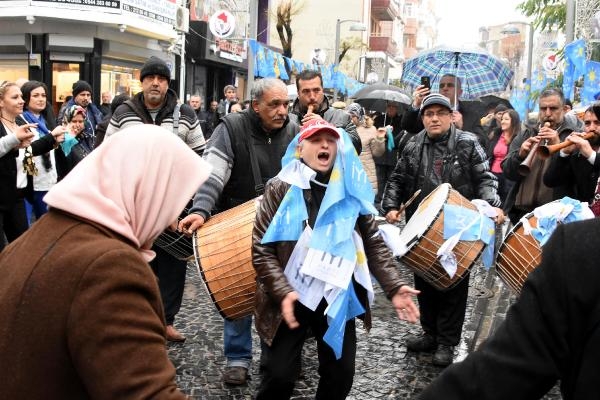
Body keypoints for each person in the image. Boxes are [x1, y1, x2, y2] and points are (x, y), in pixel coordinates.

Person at [0, 125, 211, 399]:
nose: (171, 220)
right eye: (172, 201)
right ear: (146, 192)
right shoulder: (110, 267)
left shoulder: (29, 241)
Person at [252, 119, 420, 399]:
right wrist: (282, 291)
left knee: (341, 374)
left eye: (330, 140)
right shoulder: (279, 188)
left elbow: (373, 242)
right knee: (279, 377)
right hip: (290, 295)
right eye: (317, 140)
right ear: (300, 147)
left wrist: (394, 285)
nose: (325, 145)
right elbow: (261, 248)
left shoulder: (350, 190)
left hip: (336, 293)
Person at [179, 78, 299, 385]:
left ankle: (277, 360)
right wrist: (200, 210)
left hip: (283, 228)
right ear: (255, 105)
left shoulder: (295, 130)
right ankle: (237, 357)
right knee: (238, 287)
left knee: (278, 292)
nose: (282, 111)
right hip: (236, 224)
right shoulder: (230, 127)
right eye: (274, 104)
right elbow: (212, 174)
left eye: (285, 104)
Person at [382, 93, 504, 367]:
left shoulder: (468, 143)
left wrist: (492, 205)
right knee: (424, 280)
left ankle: (447, 342)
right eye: (428, 113)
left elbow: (485, 178)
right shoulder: (413, 145)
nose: (434, 118)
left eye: (440, 112)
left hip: (459, 226)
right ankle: (430, 333)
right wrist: (390, 206)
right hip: (422, 226)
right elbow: (397, 178)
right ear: (423, 117)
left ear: (451, 116)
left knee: (453, 283)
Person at [417, 217, 600, 399]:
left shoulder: (581, 249)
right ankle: (432, 333)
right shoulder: (584, 247)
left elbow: (504, 371)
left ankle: (446, 340)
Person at [107, 56, 206, 343]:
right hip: (135, 204)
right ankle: (139, 321)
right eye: (150, 77)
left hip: (175, 203)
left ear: (167, 84)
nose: (155, 82)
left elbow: (199, 154)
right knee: (138, 263)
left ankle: (166, 321)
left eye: (161, 78)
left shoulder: (185, 113)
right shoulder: (124, 112)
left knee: (173, 264)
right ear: (141, 81)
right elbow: (109, 153)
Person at [0, 81, 64, 251]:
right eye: (15, 97)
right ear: (1, 102)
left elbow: (29, 150)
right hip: (1, 194)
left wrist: (52, 139)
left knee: (20, 248)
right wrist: (14, 140)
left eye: (21, 96)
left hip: (18, 195)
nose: (21, 100)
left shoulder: (20, 120)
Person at [501, 88, 581, 224]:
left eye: (553, 108)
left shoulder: (574, 135)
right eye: (543, 109)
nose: (547, 114)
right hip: (522, 214)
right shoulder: (527, 132)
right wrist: (520, 156)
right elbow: (508, 173)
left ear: (564, 109)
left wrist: (558, 146)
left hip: (556, 215)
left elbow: (576, 175)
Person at [544, 102, 600, 215]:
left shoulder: (587, 153)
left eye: (597, 123)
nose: (592, 128)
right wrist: (564, 153)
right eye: (587, 123)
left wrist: (591, 155)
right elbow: (550, 181)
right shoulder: (577, 155)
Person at [403, 74, 487, 148]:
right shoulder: (429, 112)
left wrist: (462, 129)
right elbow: (408, 127)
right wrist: (416, 104)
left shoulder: (472, 115)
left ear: (460, 92)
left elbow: (482, 141)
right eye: (442, 86)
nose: (445, 88)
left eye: (450, 85)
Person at [289, 70, 361, 154]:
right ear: (298, 93)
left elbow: (357, 148)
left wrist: (326, 127)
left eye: (316, 90)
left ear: (322, 91)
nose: (312, 97)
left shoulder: (341, 116)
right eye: (306, 91)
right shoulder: (288, 121)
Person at [20, 80, 62, 219]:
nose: (41, 99)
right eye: (36, 95)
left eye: (43, 95)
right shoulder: (21, 120)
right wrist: (51, 138)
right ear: (26, 98)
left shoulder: (47, 119)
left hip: (48, 178)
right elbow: (28, 149)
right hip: (30, 179)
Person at [345, 102, 385, 194]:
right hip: (348, 172)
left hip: (366, 173)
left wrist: (380, 138)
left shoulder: (370, 129)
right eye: (349, 115)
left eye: (353, 116)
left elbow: (377, 153)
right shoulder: (344, 129)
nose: (350, 118)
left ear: (359, 115)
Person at [373, 102, 407, 210]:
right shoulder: (379, 119)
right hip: (380, 156)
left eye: (394, 107)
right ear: (386, 107)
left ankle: (388, 206)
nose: (391, 109)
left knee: (391, 181)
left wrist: (391, 135)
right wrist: (383, 132)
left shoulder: (401, 121)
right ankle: (377, 203)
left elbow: (401, 138)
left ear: (397, 108)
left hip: (393, 157)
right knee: (379, 181)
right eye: (389, 106)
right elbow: (374, 136)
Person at [487, 109, 520, 207]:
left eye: (506, 119)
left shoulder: (518, 138)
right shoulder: (497, 135)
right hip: (493, 174)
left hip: (507, 176)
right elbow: (490, 153)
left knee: (505, 204)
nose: (503, 121)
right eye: (502, 119)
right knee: (493, 203)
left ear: (513, 121)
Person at [56, 80, 103, 146]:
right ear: (75, 96)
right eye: (82, 95)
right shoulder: (67, 111)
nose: (86, 98)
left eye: (88, 95)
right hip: (75, 149)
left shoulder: (94, 111)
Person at [55, 105, 89, 180]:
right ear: (67, 121)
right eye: (74, 121)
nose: (77, 125)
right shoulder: (63, 139)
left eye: (80, 121)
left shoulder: (86, 138)